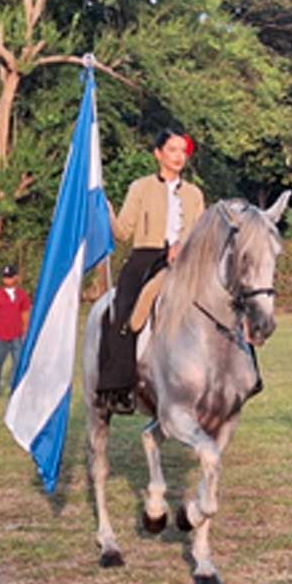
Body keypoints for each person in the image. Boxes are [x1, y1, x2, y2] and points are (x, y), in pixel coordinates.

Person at [97, 130, 206, 414]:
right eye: (172, 150)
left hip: (185, 263)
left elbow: (202, 233)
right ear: (158, 153)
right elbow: (123, 232)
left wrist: (183, 246)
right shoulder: (140, 187)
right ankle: (117, 388)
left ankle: (240, 378)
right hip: (145, 259)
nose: (179, 156)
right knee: (122, 313)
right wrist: (105, 211)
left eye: (183, 151)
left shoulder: (194, 194)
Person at [0, 264, 31, 398]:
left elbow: (25, 314)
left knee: (17, 362)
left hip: (17, 335)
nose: (7, 280)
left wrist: (26, 332)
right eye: (5, 278)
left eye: (10, 277)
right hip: (0, 335)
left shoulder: (22, 295)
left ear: (16, 278)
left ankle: (15, 388)